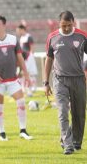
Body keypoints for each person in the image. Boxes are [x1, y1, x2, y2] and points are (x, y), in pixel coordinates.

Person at [0, 15, 33, 142]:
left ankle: (23, 130)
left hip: (12, 80)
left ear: (4, 25)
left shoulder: (13, 39)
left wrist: (26, 74)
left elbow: (20, 58)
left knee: (21, 103)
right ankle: (2, 133)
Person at [44, 10, 87, 155]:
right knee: (62, 111)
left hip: (79, 79)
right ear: (59, 24)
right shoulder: (52, 37)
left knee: (79, 113)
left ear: (73, 23)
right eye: (63, 26)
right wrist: (45, 82)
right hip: (60, 79)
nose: (67, 28)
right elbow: (49, 59)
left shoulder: (82, 36)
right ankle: (67, 144)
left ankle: (76, 141)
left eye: (69, 25)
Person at [16, 24, 38, 97]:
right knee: (24, 73)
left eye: (18, 30)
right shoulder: (21, 38)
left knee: (30, 73)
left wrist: (31, 56)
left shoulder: (29, 37)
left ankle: (32, 88)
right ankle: (25, 88)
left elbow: (32, 47)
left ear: (22, 29)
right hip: (24, 57)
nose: (18, 32)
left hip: (29, 57)